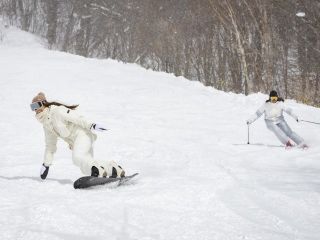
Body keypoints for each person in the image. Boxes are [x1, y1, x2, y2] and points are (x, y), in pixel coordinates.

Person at [30, 92, 125, 179]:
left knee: (77, 158)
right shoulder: (47, 125)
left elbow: (77, 118)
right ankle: (113, 169)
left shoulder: (58, 111)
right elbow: (50, 146)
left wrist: (92, 125)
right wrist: (46, 164)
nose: (35, 109)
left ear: (44, 103)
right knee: (85, 167)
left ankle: (99, 171)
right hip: (77, 142)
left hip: (83, 135)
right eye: (32, 107)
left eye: (36, 105)